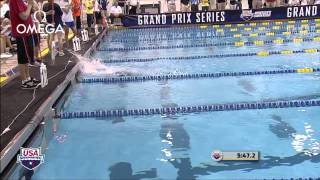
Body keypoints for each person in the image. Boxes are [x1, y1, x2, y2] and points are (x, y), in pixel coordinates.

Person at [9, 0, 40, 89]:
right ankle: (24, 81)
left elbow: (29, 13)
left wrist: (33, 6)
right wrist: (30, 5)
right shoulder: (15, 1)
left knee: (26, 57)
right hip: (21, 32)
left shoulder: (22, 1)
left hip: (27, 31)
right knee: (23, 57)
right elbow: (23, 17)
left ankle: (28, 78)